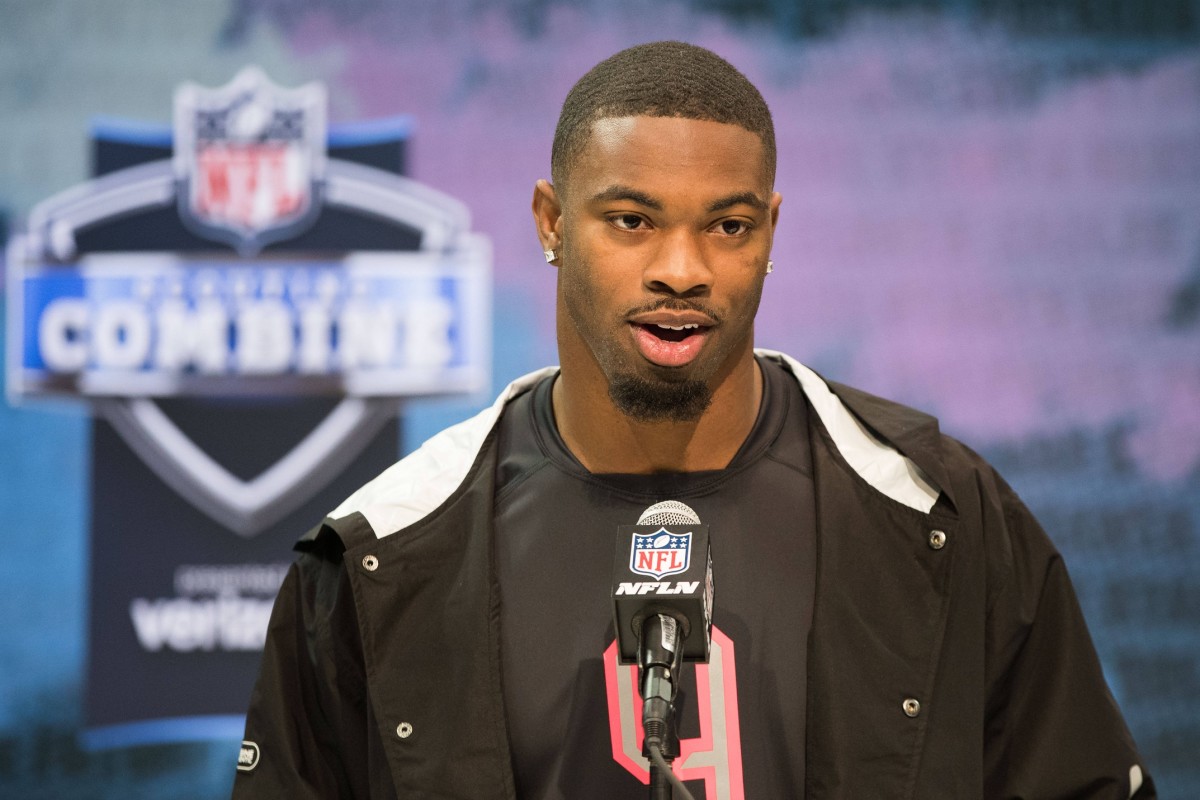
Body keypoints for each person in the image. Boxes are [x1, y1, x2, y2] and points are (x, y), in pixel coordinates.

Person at [233, 41, 1153, 799]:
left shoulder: (943, 512)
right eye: (632, 221)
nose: (683, 269)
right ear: (550, 221)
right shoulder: (382, 553)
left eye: (729, 226)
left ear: (772, 232)